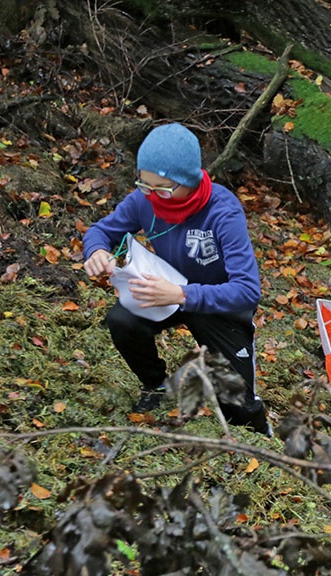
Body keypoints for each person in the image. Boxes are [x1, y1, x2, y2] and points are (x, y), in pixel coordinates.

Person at [82, 123, 270, 435]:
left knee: (237, 404)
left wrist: (183, 295)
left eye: (164, 189)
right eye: (145, 185)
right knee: (122, 321)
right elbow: (100, 231)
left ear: (190, 181)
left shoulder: (223, 212)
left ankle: (258, 433)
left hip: (218, 304)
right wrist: (96, 251)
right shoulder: (145, 200)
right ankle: (155, 385)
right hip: (165, 288)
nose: (154, 197)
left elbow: (247, 291)